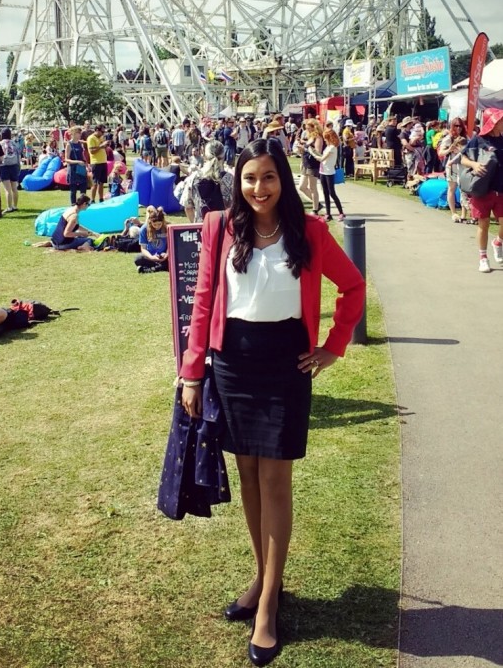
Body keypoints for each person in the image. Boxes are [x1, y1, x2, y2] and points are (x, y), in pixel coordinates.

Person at [180, 138, 365, 665]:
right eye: (249, 178)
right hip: (233, 363)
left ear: (283, 180)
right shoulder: (219, 226)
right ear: (237, 183)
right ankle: (265, 578)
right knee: (247, 474)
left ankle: (267, 607)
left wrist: (333, 347)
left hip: (285, 364)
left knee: (274, 479)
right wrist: (192, 374)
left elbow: (352, 288)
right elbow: (203, 300)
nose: (258, 188)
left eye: (268, 177)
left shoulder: (309, 232)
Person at [460, 108, 503, 273]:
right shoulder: (478, 140)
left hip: (501, 188)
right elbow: (463, 158)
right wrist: (474, 164)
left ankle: (498, 242)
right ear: (492, 123)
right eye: (500, 120)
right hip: (482, 189)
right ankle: (483, 257)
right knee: (483, 224)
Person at [180, 140, 234, 223]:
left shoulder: (193, 178)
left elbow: (188, 207)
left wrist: (195, 225)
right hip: (224, 227)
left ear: (204, 156)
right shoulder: (230, 178)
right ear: (223, 156)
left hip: (202, 227)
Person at [310, 127, 345, 222]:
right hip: (323, 172)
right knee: (325, 193)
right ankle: (328, 214)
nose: (324, 140)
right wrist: (313, 151)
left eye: (325, 138)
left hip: (329, 173)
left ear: (329, 138)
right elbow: (322, 157)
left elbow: (321, 159)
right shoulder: (328, 147)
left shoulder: (333, 148)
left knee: (332, 193)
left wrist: (311, 152)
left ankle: (341, 212)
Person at [297, 119, 323, 213]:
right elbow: (306, 149)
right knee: (302, 187)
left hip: (313, 164)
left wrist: (305, 148)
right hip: (305, 163)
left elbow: (318, 152)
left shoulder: (318, 137)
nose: (307, 130)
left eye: (309, 128)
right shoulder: (309, 137)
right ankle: (317, 203)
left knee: (313, 187)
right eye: (306, 128)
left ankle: (315, 209)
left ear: (314, 127)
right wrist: (302, 148)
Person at [135, 205, 169, 272]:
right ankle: (160, 267)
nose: (157, 227)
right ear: (150, 222)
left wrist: (166, 255)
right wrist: (151, 257)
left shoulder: (167, 228)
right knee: (138, 258)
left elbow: (171, 245)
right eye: (155, 224)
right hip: (150, 256)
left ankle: (150, 269)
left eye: (159, 224)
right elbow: (143, 248)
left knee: (174, 259)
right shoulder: (144, 229)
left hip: (164, 256)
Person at [65, 126, 89, 204]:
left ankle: (83, 204)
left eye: (80, 133)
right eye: (78, 133)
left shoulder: (80, 143)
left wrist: (86, 164)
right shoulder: (69, 144)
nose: (80, 135)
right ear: (73, 134)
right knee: (73, 190)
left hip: (81, 168)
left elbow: (82, 155)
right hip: (73, 169)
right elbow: (66, 159)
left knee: (83, 187)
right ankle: (73, 205)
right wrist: (77, 162)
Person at [0, 127, 21, 213]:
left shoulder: (0, 144)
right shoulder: (15, 144)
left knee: (7, 189)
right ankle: (15, 206)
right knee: (14, 188)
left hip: (4, 166)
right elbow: (18, 156)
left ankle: (9, 207)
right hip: (14, 166)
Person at [87, 124, 108, 202]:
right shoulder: (91, 138)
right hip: (96, 163)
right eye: (102, 131)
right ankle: (92, 200)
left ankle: (101, 198)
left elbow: (102, 147)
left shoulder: (101, 138)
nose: (103, 133)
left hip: (103, 162)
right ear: (97, 130)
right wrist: (101, 146)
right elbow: (92, 151)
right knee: (95, 183)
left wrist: (105, 145)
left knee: (101, 183)